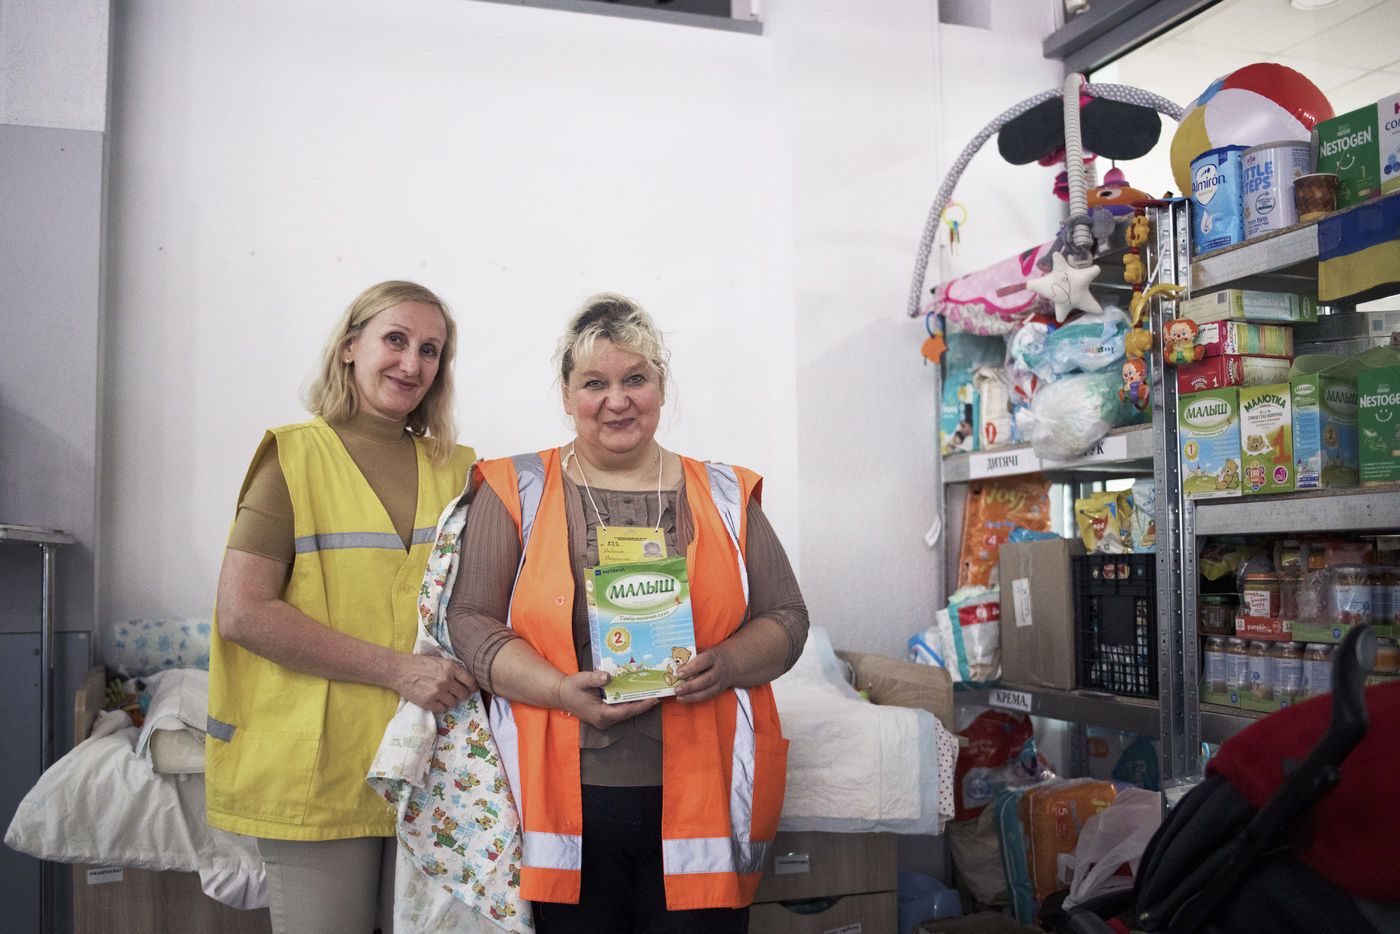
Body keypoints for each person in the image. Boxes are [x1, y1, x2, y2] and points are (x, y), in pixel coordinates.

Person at [447, 292, 809, 933]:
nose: (617, 400)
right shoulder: (513, 488)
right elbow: (471, 621)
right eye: (595, 383)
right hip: (557, 807)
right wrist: (559, 689)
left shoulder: (726, 492)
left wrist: (726, 663)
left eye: (635, 379)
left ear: (661, 388)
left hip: (705, 801)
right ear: (566, 395)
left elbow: (786, 617)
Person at [206, 280, 479, 934]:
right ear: (351, 346)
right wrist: (398, 670)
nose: (411, 363)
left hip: (429, 762)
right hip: (318, 770)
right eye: (395, 340)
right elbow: (243, 611)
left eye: (430, 350)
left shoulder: (461, 470)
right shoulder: (293, 458)